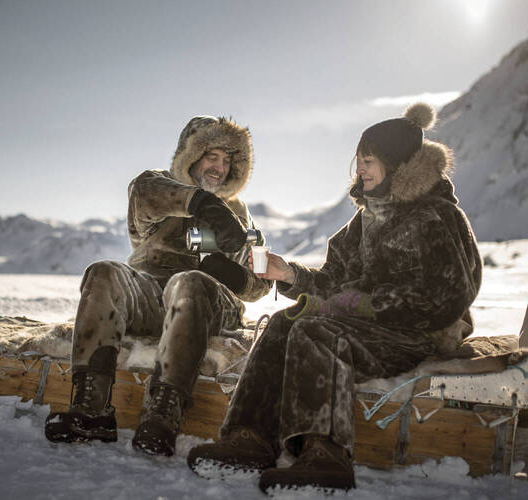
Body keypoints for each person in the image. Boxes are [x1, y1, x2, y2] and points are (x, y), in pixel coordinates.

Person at [186, 103, 482, 492]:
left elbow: (448, 295)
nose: (359, 169)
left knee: (317, 333)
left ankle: (324, 456)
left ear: (397, 165)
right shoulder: (368, 218)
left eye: (369, 161)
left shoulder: (434, 216)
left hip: (417, 333)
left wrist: (365, 305)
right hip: (369, 327)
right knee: (284, 323)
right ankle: (250, 439)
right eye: (358, 160)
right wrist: (289, 275)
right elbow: (334, 281)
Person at [44, 116, 272, 457]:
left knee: (189, 282)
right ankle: (90, 410)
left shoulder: (240, 213)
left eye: (227, 161)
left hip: (206, 304)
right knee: (103, 271)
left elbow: (261, 282)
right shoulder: (155, 187)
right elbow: (146, 192)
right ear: (190, 156)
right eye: (212, 157)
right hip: (150, 295)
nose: (220, 168)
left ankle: (163, 414)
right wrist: (202, 203)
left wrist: (237, 277)